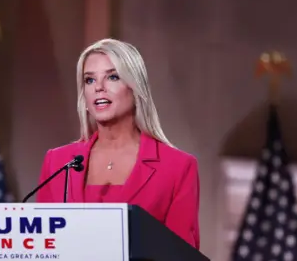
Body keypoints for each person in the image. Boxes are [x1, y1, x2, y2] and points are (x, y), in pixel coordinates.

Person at [35, 38, 200, 250]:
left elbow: (182, 255)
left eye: (112, 77)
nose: (99, 88)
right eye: (89, 80)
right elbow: (42, 247)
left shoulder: (178, 168)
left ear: (135, 88)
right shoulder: (57, 163)